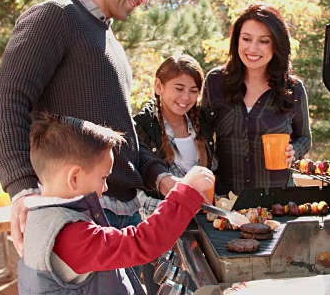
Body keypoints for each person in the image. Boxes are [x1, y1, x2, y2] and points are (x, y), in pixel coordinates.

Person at [0, 0, 184, 257]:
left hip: (122, 212)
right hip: (76, 213)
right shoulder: (56, 16)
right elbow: (6, 103)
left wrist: (160, 177)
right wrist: (22, 187)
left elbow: (122, 135)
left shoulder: (111, 44)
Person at [18, 113, 213, 294]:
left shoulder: (39, 218)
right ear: (74, 178)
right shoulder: (69, 236)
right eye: (103, 178)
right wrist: (186, 190)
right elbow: (140, 243)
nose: (105, 188)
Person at [201, 2, 312, 195]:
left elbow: (304, 138)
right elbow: (202, 138)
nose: (252, 48)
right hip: (227, 201)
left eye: (263, 41)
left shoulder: (293, 89)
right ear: (237, 41)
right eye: (246, 39)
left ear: (276, 45)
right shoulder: (215, 82)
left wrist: (294, 151)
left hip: (278, 202)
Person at [133, 54, 215, 294]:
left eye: (193, 90)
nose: (185, 98)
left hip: (201, 230)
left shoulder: (204, 124)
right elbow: (136, 189)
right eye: (178, 88)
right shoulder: (140, 127)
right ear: (159, 86)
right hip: (160, 230)